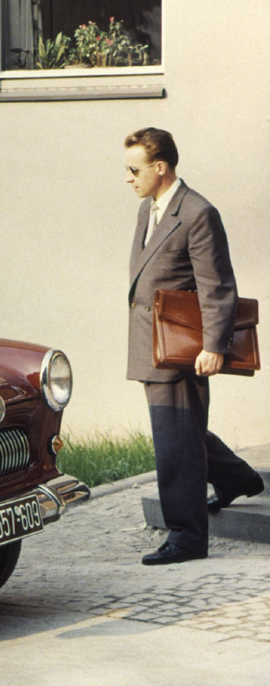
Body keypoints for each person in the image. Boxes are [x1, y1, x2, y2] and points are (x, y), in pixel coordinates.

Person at [124, 127, 264, 566]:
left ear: (160, 167)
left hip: (180, 345)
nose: (128, 178)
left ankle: (186, 537)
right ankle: (238, 478)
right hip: (151, 340)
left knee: (175, 439)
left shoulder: (198, 212)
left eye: (134, 169)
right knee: (181, 430)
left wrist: (214, 346)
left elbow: (217, 284)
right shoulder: (151, 208)